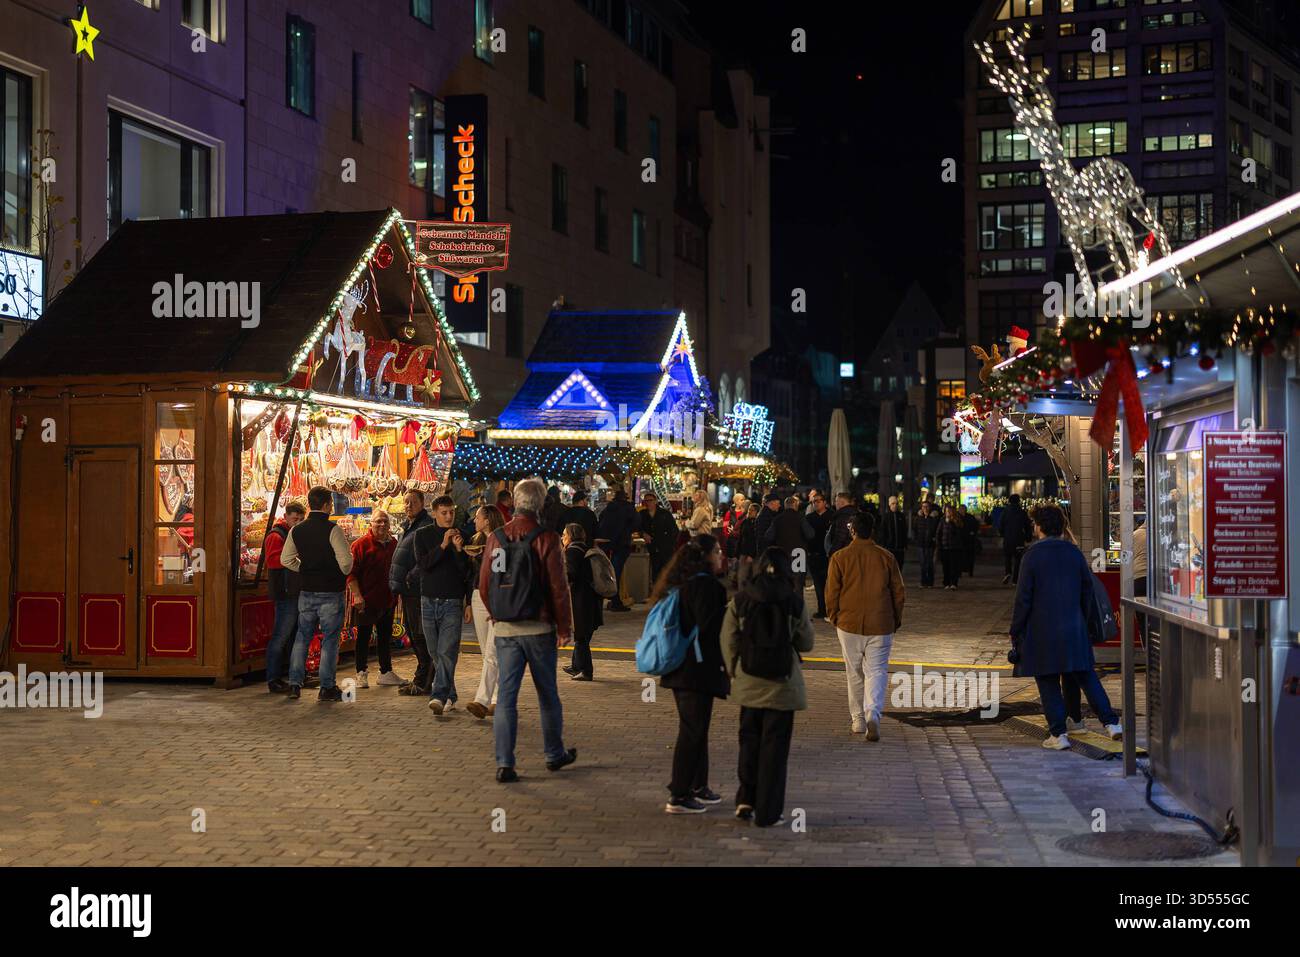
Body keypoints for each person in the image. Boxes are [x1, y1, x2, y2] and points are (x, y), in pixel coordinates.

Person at [479, 478, 577, 783]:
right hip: (539, 627)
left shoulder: (496, 537)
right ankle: (553, 753)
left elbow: (485, 584)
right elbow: (558, 587)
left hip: (506, 629)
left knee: (506, 697)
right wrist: (564, 627)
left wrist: (497, 613)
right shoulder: (547, 538)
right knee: (547, 694)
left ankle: (505, 763)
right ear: (541, 503)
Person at [1011, 504, 1123, 749]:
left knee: (1048, 679)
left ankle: (1058, 734)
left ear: (1039, 526)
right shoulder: (1074, 554)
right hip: (1074, 626)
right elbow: (1087, 593)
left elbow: (1023, 598)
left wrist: (1016, 629)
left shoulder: (1032, 556)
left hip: (1042, 629)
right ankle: (1112, 723)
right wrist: (1085, 624)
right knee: (1086, 675)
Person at [720, 547, 815, 827]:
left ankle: (745, 799)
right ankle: (769, 811)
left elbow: (728, 639)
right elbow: (806, 643)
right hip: (783, 686)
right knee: (775, 748)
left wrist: (734, 668)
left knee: (749, 742)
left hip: (749, 684)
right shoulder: (794, 601)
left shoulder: (741, 599)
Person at [654, 534, 731, 813]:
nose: (722, 555)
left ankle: (698, 785)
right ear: (706, 555)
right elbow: (710, 629)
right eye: (718, 550)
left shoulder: (679, 582)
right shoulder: (705, 586)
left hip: (680, 665)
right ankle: (679, 793)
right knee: (692, 729)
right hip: (696, 668)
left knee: (697, 727)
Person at [825, 512, 905, 740]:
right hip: (881, 622)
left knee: (854, 672)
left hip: (848, 622)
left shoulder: (840, 557)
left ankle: (858, 719)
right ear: (873, 530)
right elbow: (899, 593)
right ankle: (873, 713)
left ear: (852, 530)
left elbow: (831, 593)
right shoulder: (886, 557)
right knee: (877, 671)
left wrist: (834, 617)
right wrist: (895, 618)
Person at [281, 486, 355, 702]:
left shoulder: (297, 530)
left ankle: (294, 684)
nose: (331, 506)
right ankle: (326, 687)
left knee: (302, 637)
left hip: (306, 591)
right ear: (325, 505)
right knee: (330, 640)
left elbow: (286, 560)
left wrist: (304, 569)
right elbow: (346, 564)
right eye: (330, 503)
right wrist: (334, 571)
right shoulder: (333, 530)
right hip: (330, 592)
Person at [414, 494, 473, 715]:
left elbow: (467, 573)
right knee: (435, 652)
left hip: (452, 601)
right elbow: (423, 565)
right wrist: (443, 545)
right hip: (428, 600)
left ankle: (438, 695)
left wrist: (458, 550)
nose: (449, 517)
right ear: (435, 513)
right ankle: (451, 693)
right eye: (444, 513)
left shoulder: (463, 536)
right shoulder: (423, 535)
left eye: (452, 513)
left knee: (447, 651)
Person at [347, 509, 402, 688]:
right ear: (371, 523)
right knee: (363, 636)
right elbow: (351, 573)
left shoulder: (393, 543)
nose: (382, 525)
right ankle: (361, 673)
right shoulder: (360, 545)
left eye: (385, 521)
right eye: (378, 521)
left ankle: (385, 671)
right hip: (366, 599)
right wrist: (356, 595)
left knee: (385, 637)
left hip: (387, 599)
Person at [389, 490, 436, 697]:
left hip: (417, 589)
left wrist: (410, 577)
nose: (408, 506)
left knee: (420, 635)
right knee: (414, 633)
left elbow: (425, 559)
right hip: (407, 590)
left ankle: (425, 681)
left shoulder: (425, 526)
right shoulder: (408, 527)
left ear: (422, 503)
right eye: (406, 502)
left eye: (413, 502)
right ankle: (421, 675)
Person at [465, 505, 505, 719]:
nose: (474, 520)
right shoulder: (476, 540)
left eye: (478, 516)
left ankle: (484, 700)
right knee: (487, 653)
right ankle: (498, 700)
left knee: (492, 652)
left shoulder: (500, 541)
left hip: (496, 600)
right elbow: (470, 574)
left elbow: (499, 572)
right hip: (478, 596)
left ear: (487, 519)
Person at [263, 502, 306, 693]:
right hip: (285, 592)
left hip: (294, 591)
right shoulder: (276, 535)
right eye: (294, 519)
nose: (297, 523)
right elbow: (274, 561)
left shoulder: (292, 534)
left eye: (300, 519)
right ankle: (273, 678)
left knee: (292, 636)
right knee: (280, 636)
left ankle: (292, 675)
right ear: (286, 516)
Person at [562, 523, 603, 681]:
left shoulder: (573, 551)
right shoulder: (584, 548)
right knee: (582, 633)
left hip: (581, 599)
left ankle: (586, 671)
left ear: (571, 536)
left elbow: (571, 574)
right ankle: (576, 665)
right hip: (590, 598)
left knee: (581, 635)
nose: (562, 537)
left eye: (564, 534)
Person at [596, 487, 637, 612]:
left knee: (609, 570)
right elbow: (636, 523)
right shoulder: (629, 508)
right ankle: (615, 600)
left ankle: (609, 597)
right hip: (622, 543)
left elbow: (601, 521)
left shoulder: (609, 508)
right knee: (617, 571)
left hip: (607, 543)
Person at [764, 495, 814, 591]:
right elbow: (810, 534)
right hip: (799, 555)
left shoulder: (777, 519)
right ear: (796, 505)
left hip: (783, 556)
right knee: (798, 586)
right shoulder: (800, 518)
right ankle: (797, 605)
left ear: (785, 506)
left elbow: (768, 536)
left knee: (784, 585)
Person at [638, 491, 679, 584]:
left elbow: (674, 530)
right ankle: (655, 593)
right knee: (655, 571)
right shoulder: (642, 514)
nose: (648, 503)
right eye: (646, 501)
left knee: (666, 572)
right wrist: (642, 534)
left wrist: (670, 544)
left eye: (650, 500)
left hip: (665, 547)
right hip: (651, 547)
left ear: (655, 501)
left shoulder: (665, 513)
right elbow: (637, 526)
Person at [805, 490, 833, 618]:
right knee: (818, 585)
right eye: (813, 502)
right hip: (814, 555)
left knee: (830, 584)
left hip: (829, 555)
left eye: (817, 501)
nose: (815, 504)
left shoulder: (832, 516)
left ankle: (831, 610)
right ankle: (822, 609)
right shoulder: (809, 518)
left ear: (824, 502)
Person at [998, 493, 1034, 585]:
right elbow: (1027, 526)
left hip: (1008, 539)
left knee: (1007, 557)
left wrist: (1002, 534)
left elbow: (1000, 525)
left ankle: (1008, 572)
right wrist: (1028, 537)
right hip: (1019, 539)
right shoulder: (1022, 512)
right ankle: (1015, 580)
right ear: (1018, 501)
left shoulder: (1005, 512)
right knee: (1018, 559)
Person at [914, 501, 941, 588]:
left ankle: (930, 582)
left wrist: (934, 539)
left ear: (930, 508)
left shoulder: (933, 518)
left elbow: (936, 529)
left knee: (929, 564)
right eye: (923, 507)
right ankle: (923, 582)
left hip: (930, 544)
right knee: (922, 564)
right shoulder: (919, 518)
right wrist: (917, 539)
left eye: (927, 507)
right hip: (921, 544)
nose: (925, 508)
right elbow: (915, 529)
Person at [878, 495, 909, 570]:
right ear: (889, 505)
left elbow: (904, 531)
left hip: (900, 547)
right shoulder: (886, 517)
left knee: (899, 565)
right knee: (890, 566)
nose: (895, 505)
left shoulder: (901, 516)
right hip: (889, 547)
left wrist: (905, 544)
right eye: (893, 503)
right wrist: (884, 545)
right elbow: (883, 532)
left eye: (896, 503)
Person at [938, 505, 965, 590]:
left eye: (949, 511)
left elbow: (959, 533)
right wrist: (939, 544)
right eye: (946, 511)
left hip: (954, 547)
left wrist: (951, 522)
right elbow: (939, 532)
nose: (948, 513)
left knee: (954, 566)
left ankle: (954, 583)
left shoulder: (957, 520)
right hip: (944, 547)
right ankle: (946, 583)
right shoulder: (942, 520)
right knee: (946, 566)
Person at [826, 492, 859, 558]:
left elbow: (840, 537)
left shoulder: (843, 516)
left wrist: (832, 553)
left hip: (843, 554)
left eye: (836, 501)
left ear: (842, 502)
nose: (835, 504)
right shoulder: (855, 513)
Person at [736, 501, 761, 585]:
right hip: (743, 552)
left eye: (752, 510)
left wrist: (751, 555)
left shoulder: (757, 523)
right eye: (749, 509)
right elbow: (741, 537)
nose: (749, 511)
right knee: (742, 576)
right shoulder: (745, 522)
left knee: (755, 576)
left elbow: (754, 539)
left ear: (757, 512)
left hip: (754, 553)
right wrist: (737, 552)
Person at [959, 504, 980, 576]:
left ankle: (970, 571)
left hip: (969, 540)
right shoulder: (957, 517)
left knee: (970, 556)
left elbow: (976, 526)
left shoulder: (970, 517)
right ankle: (960, 571)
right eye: (961, 509)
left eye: (963, 509)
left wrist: (973, 532)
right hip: (960, 540)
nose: (962, 511)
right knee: (960, 557)